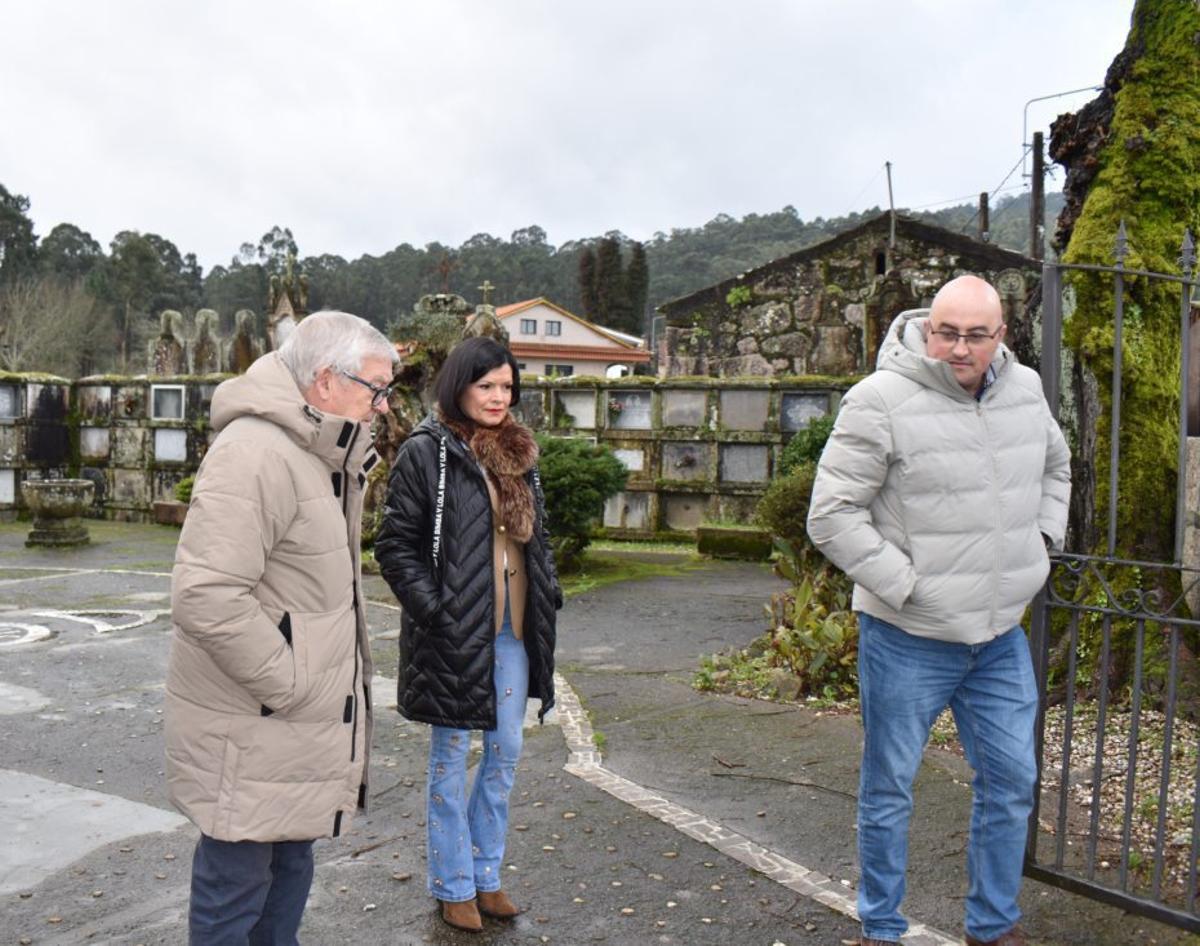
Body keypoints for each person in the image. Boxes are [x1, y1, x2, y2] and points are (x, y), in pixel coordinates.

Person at [807, 275, 1071, 946]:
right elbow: (831, 515)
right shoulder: (879, 400)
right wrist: (904, 584)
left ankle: (992, 923)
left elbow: (1055, 467)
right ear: (928, 329)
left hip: (999, 636)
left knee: (1013, 782)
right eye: (946, 332)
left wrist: (1040, 544)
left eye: (975, 335)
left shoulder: (1027, 389)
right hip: (908, 635)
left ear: (1000, 335)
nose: (959, 348)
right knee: (890, 788)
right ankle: (882, 927)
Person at [165, 310, 398, 944]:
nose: (382, 406)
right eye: (376, 388)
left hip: (290, 727)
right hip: (258, 719)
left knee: (288, 870)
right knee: (236, 885)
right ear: (326, 381)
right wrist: (292, 681)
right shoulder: (257, 452)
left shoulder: (318, 452)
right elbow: (207, 594)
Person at [374, 335, 561, 933]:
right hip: (455, 633)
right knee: (451, 757)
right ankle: (453, 884)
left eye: (507, 386)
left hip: (513, 629)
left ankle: (487, 874)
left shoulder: (519, 451)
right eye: (487, 386)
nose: (499, 397)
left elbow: (535, 540)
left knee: (505, 753)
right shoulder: (427, 452)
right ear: (460, 386)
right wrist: (435, 611)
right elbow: (395, 546)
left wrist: (549, 592)